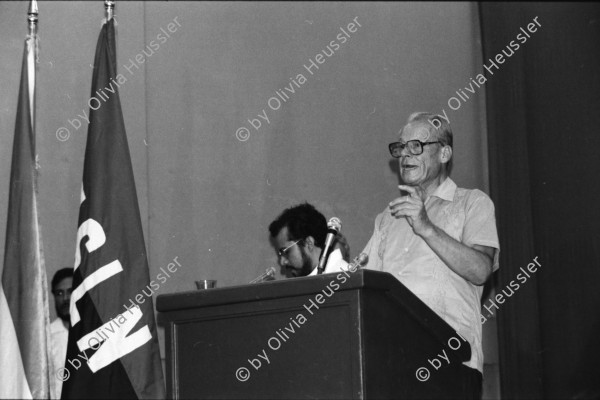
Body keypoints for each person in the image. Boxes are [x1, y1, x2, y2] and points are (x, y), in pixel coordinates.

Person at [361, 112, 499, 398]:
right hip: (392, 365)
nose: (405, 155)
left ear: (445, 153)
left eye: (417, 146)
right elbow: (366, 285)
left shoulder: (471, 203)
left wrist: (426, 227)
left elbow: (481, 270)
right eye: (401, 147)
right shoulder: (387, 218)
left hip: (448, 363)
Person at [269, 203, 349, 277]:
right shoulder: (311, 283)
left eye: (286, 252)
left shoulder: (343, 279)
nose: (282, 262)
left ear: (309, 243)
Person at [50, 267, 73, 399]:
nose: (65, 298)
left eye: (70, 291)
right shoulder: (46, 338)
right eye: (59, 293)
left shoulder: (97, 333)